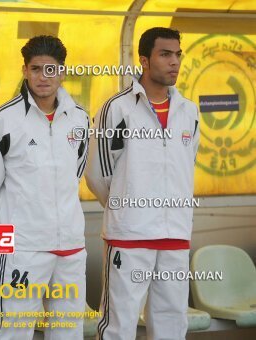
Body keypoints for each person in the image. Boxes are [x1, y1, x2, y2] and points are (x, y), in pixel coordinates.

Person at [0, 35, 90, 340]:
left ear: (62, 72)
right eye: (36, 69)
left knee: (68, 331)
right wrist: (11, 225)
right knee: (13, 330)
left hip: (71, 244)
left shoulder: (81, 118)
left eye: (51, 70)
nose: (43, 77)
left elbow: (75, 174)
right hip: (18, 244)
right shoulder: (2, 119)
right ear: (24, 70)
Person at [85, 27, 200, 340]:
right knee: (118, 327)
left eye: (178, 55)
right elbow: (97, 174)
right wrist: (128, 208)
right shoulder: (117, 108)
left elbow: (184, 168)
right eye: (165, 54)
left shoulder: (189, 112)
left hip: (175, 235)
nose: (174, 62)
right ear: (145, 60)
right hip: (129, 237)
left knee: (173, 325)